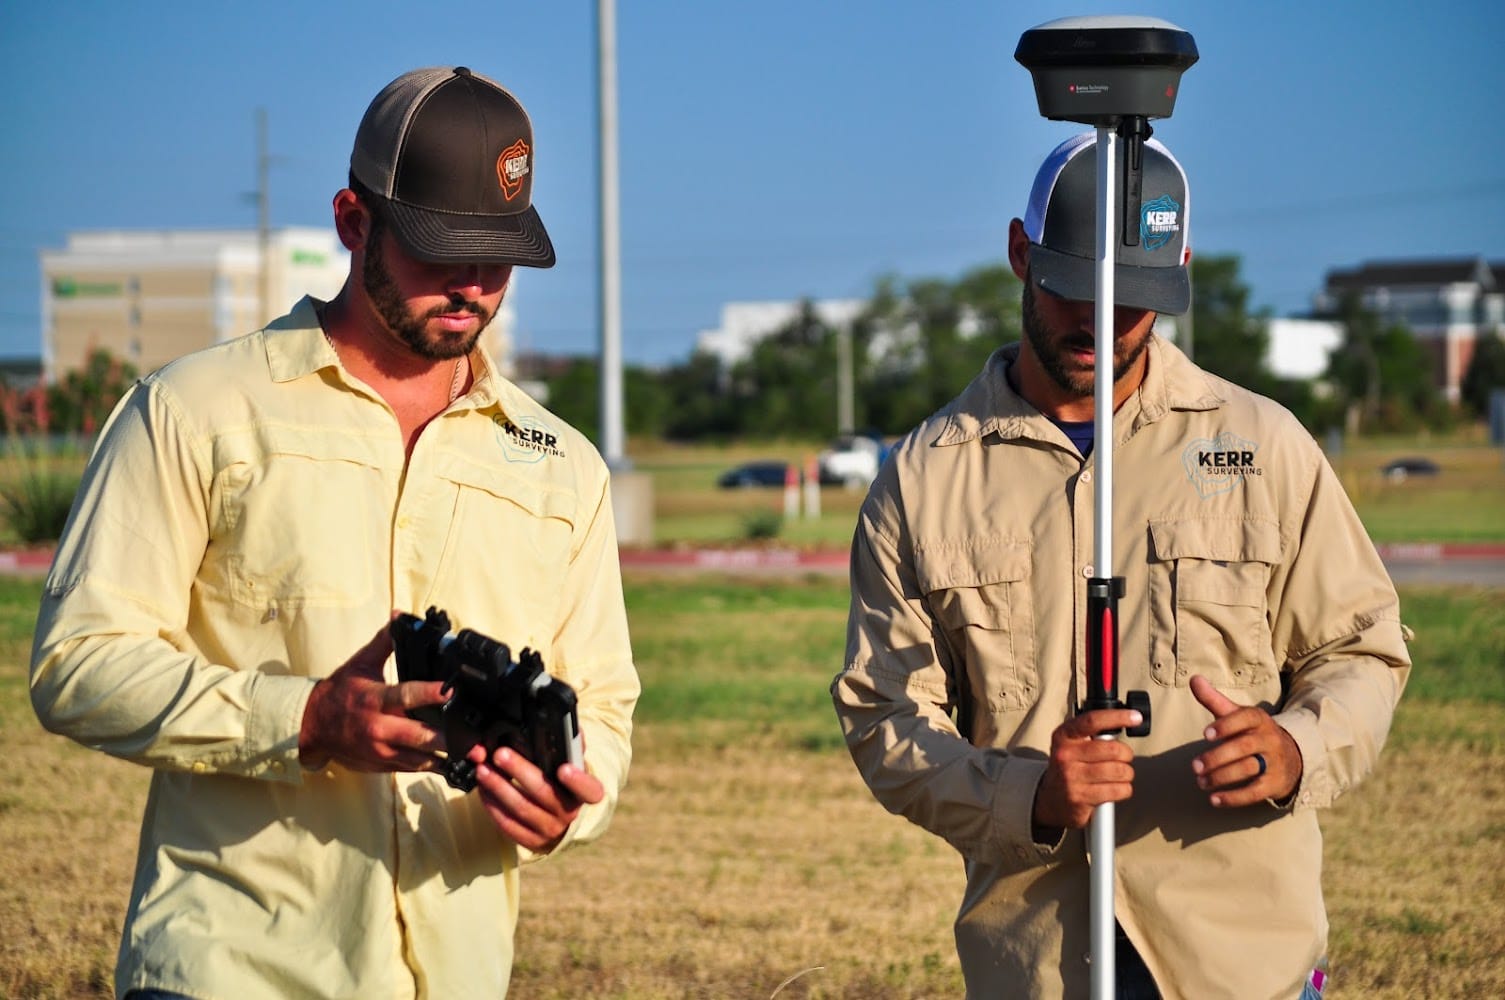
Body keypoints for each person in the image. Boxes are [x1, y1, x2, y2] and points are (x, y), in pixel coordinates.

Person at [30, 66, 639, 1000]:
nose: (473, 286)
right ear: (354, 222)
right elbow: (77, 664)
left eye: (499, 255)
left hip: (461, 974)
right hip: (233, 968)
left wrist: (563, 806)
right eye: (441, 250)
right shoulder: (195, 411)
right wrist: (305, 719)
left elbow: (602, 708)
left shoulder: (563, 463)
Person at [830, 131, 1411, 999]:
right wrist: (1027, 797)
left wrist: (1295, 746)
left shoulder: (1262, 446)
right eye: (1072, 290)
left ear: (1176, 273)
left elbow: (1361, 651)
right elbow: (883, 718)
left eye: (1132, 300)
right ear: (1021, 253)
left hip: (1239, 961)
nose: (1100, 322)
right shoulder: (923, 480)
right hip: (1038, 963)